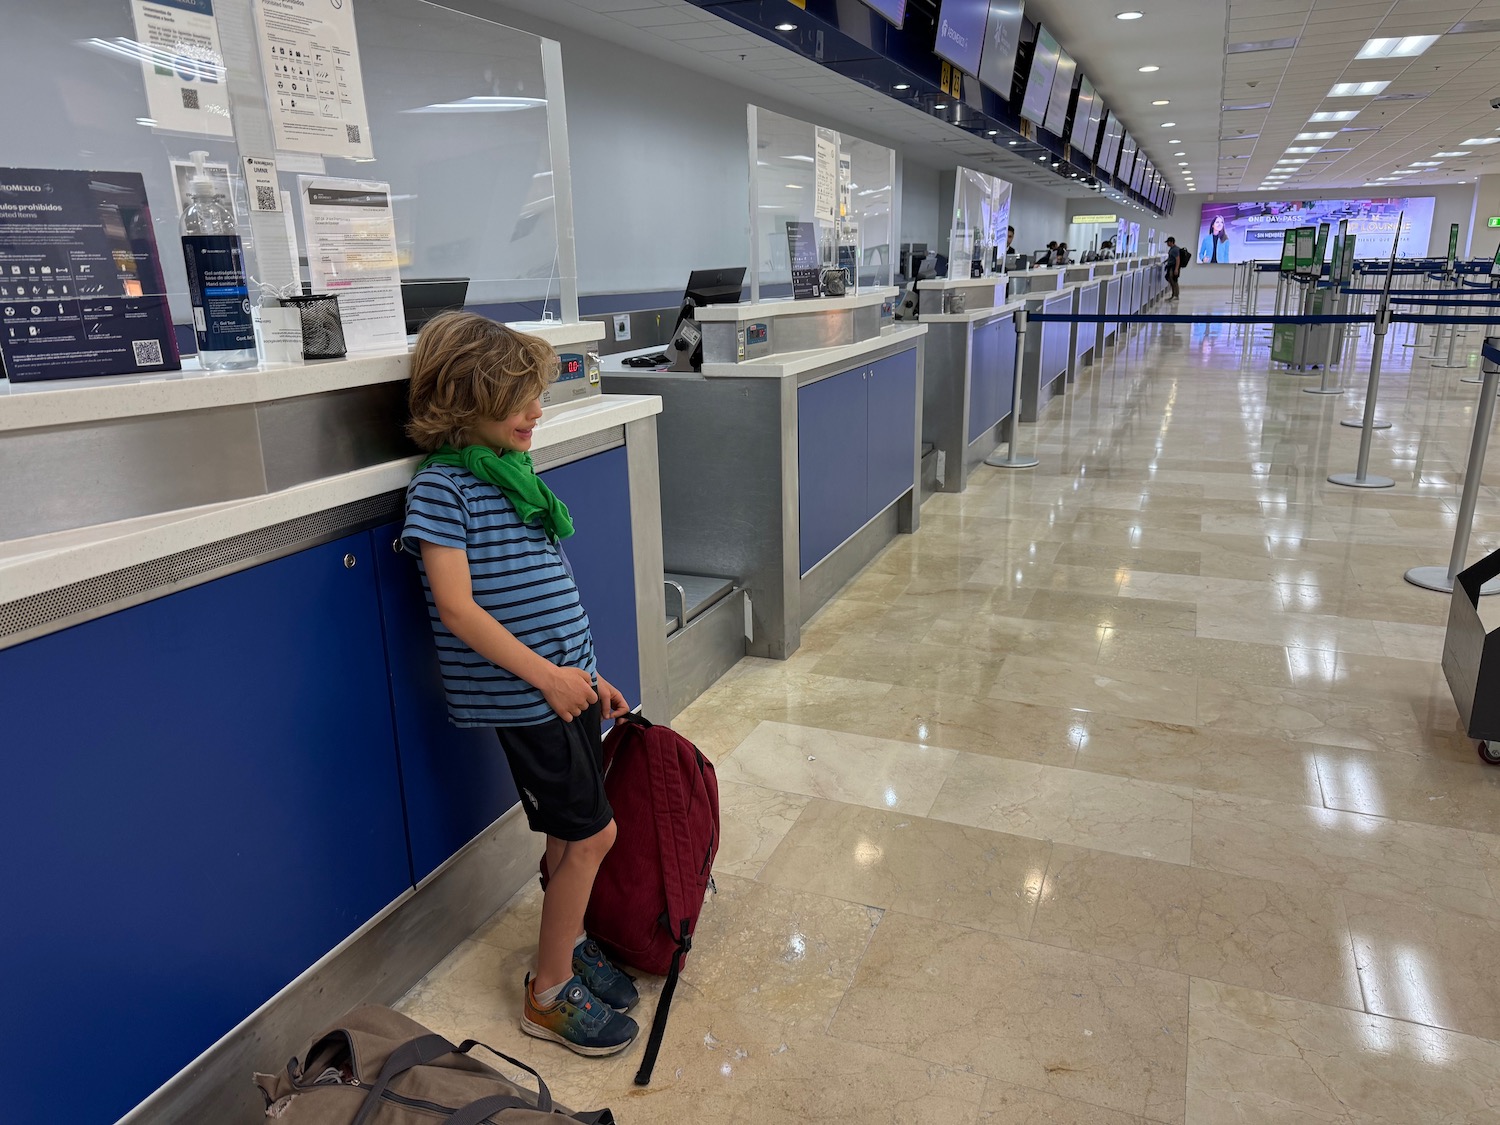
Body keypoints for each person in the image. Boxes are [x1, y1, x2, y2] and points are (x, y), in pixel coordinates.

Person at [402, 312, 640, 1058]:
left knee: (578, 833)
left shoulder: (511, 476)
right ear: (461, 401)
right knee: (591, 832)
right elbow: (457, 606)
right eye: (518, 399)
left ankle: (562, 944)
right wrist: (546, 676)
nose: (537, 410)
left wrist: (586, 674)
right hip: (526, 695)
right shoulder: (444, 489)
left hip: (562, 685)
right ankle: (547, 991)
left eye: (535, 395)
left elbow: (542, 588)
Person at [1164, 236, 1185, 300]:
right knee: (1171, 280)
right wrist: (1165, 261)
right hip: (1171, 266)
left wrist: (1176, 269)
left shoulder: (1175, 249)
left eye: (1168, 242)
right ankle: (1174, 295)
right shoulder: (1172, 249)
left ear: (1171, 242)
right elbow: (1171, 258)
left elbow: (1177, 259)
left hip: (1173, 267)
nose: (1167, 244)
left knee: (1174, 281)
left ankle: (1175, 295)